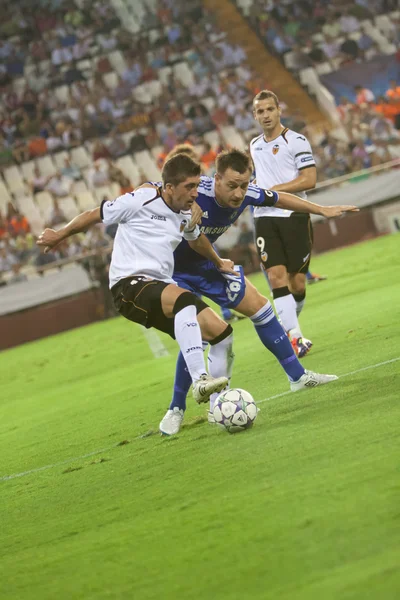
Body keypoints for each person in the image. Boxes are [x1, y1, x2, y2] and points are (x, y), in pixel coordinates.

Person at [139, 148, 357, 435]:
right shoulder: (196, 191)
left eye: (244, 185)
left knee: (261, 307)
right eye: (232, 186)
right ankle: (176, 408)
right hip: (173, 272)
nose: (240, 193)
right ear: (216, 180)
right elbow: (146, 188)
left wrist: (320, 209)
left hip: (209, 265)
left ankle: (298, 377)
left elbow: (280, 198)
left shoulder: (248, 193)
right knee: (197, 334)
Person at [37, 154, 245, 414]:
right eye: (189, 187)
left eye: (196, 185)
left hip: (159, 286)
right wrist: (59, 235)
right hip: (128, 285)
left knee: (222, 334)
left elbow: (196, 239)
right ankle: (200, 380)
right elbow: (95, 214)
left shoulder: (186, 212)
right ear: (169, 187)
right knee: (185, 301)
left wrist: (217, 261)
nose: (195, 193)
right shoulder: (141, 200)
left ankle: (219, 409)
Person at [251, 89, 319, 357]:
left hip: (294, 215)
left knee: (297, 283)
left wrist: (277, 190)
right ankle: (295, 337)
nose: (266, 115)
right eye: (260, 111)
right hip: (265, 217)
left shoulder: (297, 141)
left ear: (279, 110)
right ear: (254, 116)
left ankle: (290, 325)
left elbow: (309, 179)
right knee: (276, 276)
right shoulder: (254, 145)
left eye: (270, 109)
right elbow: (261, 177)